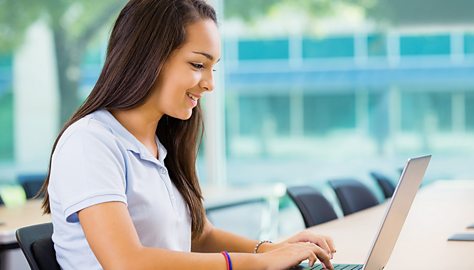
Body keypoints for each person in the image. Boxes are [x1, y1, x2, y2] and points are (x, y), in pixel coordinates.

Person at [38, 0, 335, 269]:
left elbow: (200, 237)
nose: (209, 84)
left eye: (213, 69)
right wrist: (256, 265)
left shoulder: (162, 143)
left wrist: (274, 250)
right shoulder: (90, 142)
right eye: (197, 65)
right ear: (148, 57)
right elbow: (126, 263)